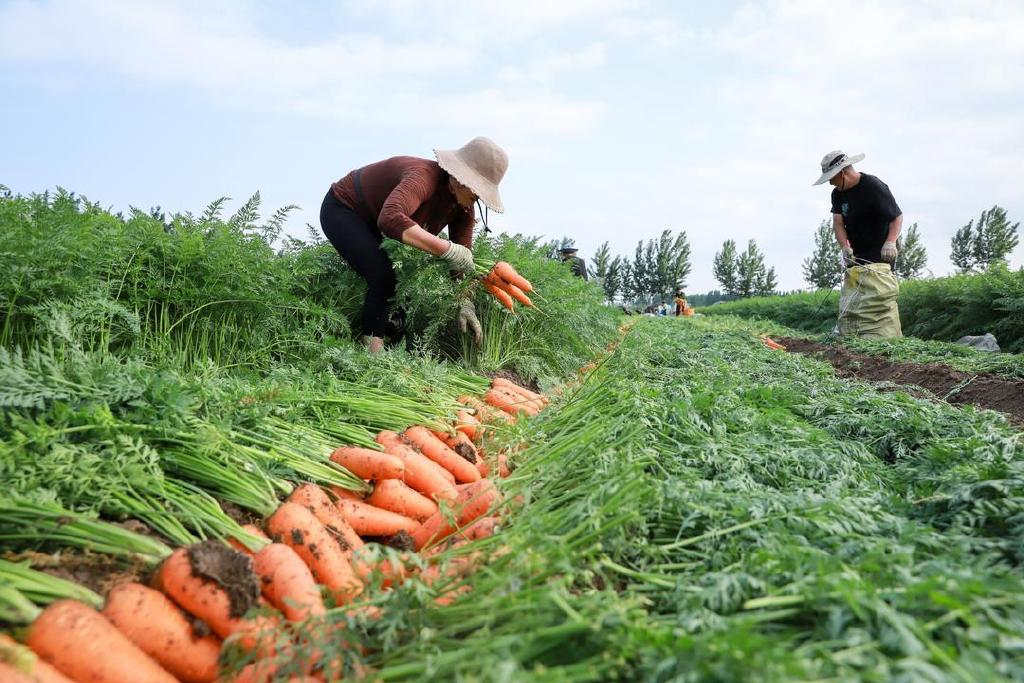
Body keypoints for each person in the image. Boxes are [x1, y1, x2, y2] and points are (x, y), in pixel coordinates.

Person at [320, 137, 508, 353]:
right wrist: (446, 249)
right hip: (346, 209)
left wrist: (465, 301)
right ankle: (372, 355)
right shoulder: (423, 176)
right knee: (383, 276)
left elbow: (461, 261)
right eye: (477, 192)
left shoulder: (464, 208)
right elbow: (390, 218)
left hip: (378, 224)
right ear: (461, 180)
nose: (478, 199)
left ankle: (392, 347)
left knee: (406, 285)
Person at [813, 150, 903, 337]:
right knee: (854, 301)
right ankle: (852, 338)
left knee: (877, 297)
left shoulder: (873, 187)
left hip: (880, 254)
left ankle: (882, 337)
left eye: (832, 178)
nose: (830, 182)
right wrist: (845, 246)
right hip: (856, 256)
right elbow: (838, 223)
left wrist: (891, 242)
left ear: (842, 172)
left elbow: (897, 217)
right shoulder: (837, 195)